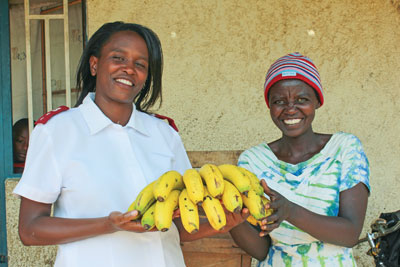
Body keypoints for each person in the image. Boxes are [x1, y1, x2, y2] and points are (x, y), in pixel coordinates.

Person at [13, 21, 192, 267]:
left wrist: (231, 220)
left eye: (140, 64)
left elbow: (180, 225)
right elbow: (30, 230)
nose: (129, 69)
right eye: (118, 58)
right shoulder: (58, 131)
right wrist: (108, 225)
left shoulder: (164, 134)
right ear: (95, 64)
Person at [229, 52, 370, 266]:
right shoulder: (253, 161)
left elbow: (350, 234)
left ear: (317, 101)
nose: (290, 109)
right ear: (269, 106)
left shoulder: (344, 149)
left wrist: (290, 211)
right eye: (279, 101)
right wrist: (232, 221)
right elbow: (261, 250)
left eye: (302, 99)